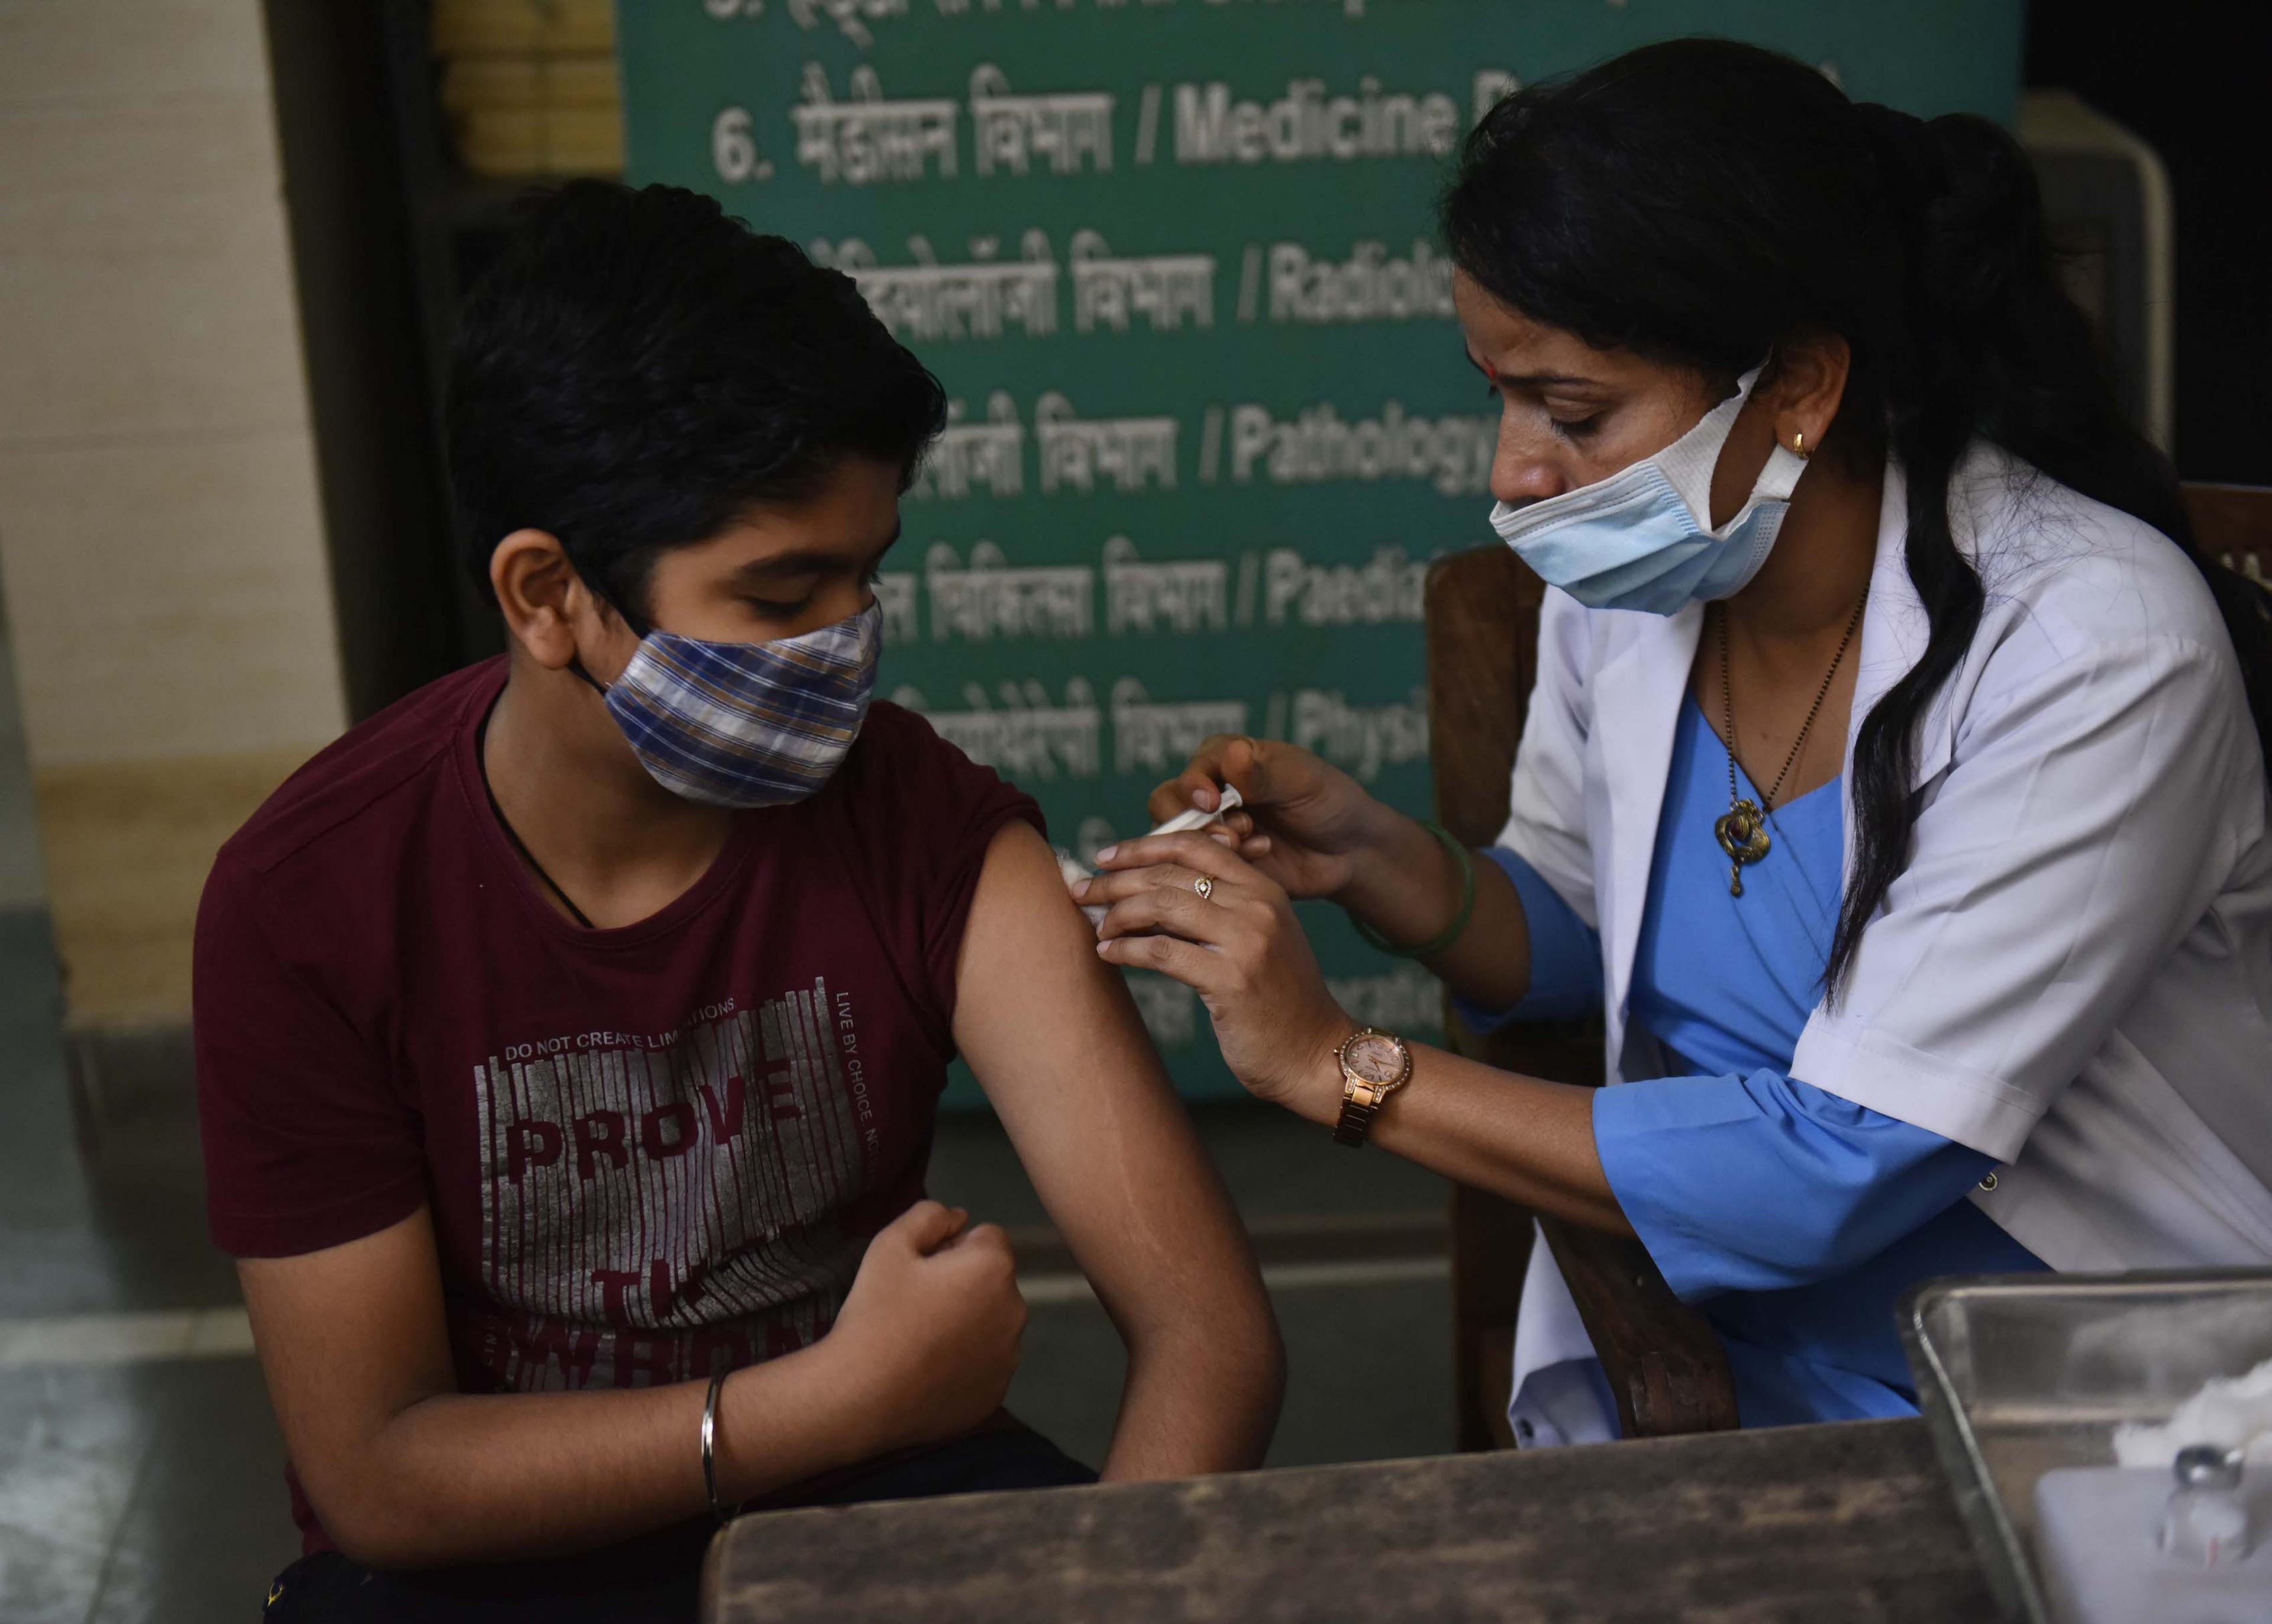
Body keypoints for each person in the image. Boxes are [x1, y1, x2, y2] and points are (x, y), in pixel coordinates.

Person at [1077, 40, 2272, 1444]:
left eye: (1573, 411)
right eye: (1500, 393)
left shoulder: (2090, 649)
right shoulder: (1651, 582)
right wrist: (1385, 861)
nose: (1514, 473)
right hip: (1709, 1332)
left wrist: (1339, 1063)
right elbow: (1590, 933)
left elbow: (1840, 1166)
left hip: (2080, 1389)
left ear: (1801, 389)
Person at [195, 181, 1282, 1621]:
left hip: (875, 1503)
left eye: (867, 574)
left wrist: (1109, 1595)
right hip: (498, 1550)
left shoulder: (923, 828)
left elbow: (1210, 1334)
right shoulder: (309, 902)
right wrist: (826, 1403)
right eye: (779, 595)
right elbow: (383, 1472)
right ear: (546, 594)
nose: (847, 642)